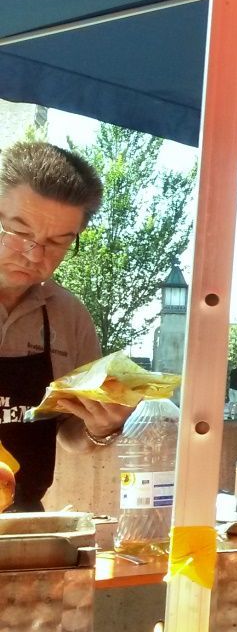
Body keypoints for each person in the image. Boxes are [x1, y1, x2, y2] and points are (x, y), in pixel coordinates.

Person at [0, 141, 135, 512]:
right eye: (18, 233)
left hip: (24, 522)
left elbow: (70, 434)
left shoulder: (69, 316)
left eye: (57, 242)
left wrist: (100, 427)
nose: (34, 255)